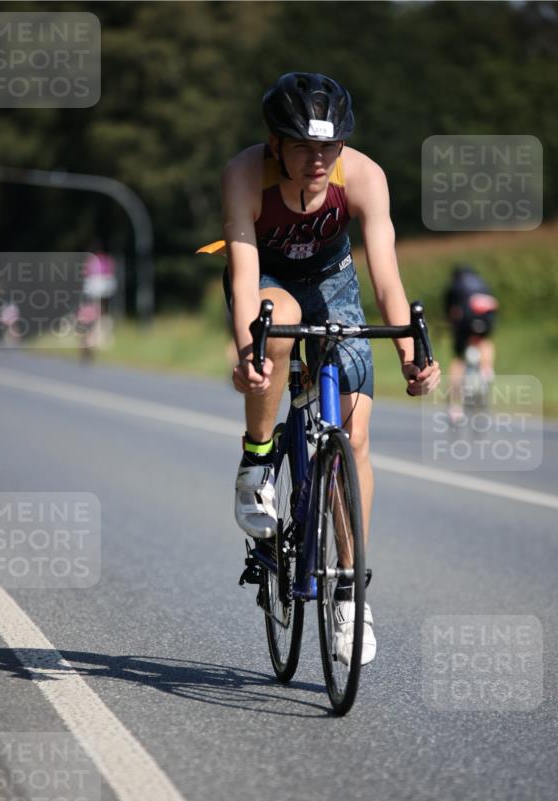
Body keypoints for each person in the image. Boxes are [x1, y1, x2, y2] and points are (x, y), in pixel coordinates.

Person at [217, 72, 440, 666]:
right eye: (302, 146)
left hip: (335, 284)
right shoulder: (245, 175)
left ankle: (348, 597)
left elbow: (386, 276)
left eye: (328, 146)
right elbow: (242, 278)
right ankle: (259, 459)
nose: (318, 160)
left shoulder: (363, 176)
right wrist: (250, 354)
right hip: (268, 282)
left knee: (355, 435)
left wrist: (412, 356)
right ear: (274, 143)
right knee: (276, 321)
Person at [443, 265, 498, 422]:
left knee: (459, 358)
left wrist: (452, 328)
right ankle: (486, 369)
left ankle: (455, 406)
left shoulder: (455, 286)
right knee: (484, 341)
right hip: (487, 317)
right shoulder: (482, 283)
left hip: (466, 319)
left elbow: (451, 312)